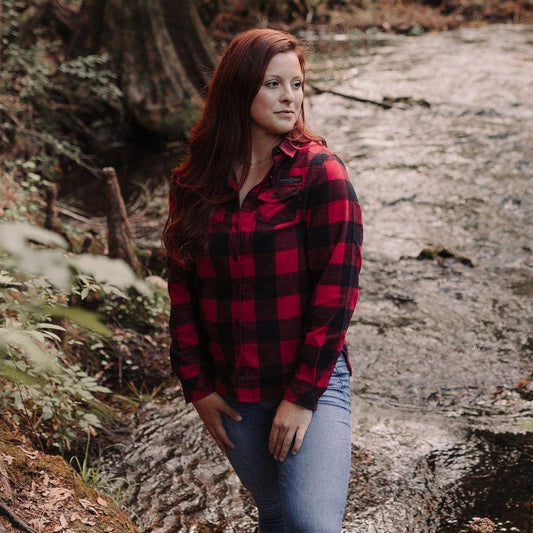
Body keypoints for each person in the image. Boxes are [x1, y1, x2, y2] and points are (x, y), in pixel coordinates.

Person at [162, 28, 363, 533]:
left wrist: (300, 398)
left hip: (310, 381)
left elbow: (337, 294)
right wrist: (196, 385)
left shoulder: (322, 174)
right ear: (238, 89)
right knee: (274, 513)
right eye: (273, 84)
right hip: (233, 389)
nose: (290, 97)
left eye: (296, 84)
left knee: (311, 524)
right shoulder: (195, 181)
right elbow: (182, 290)